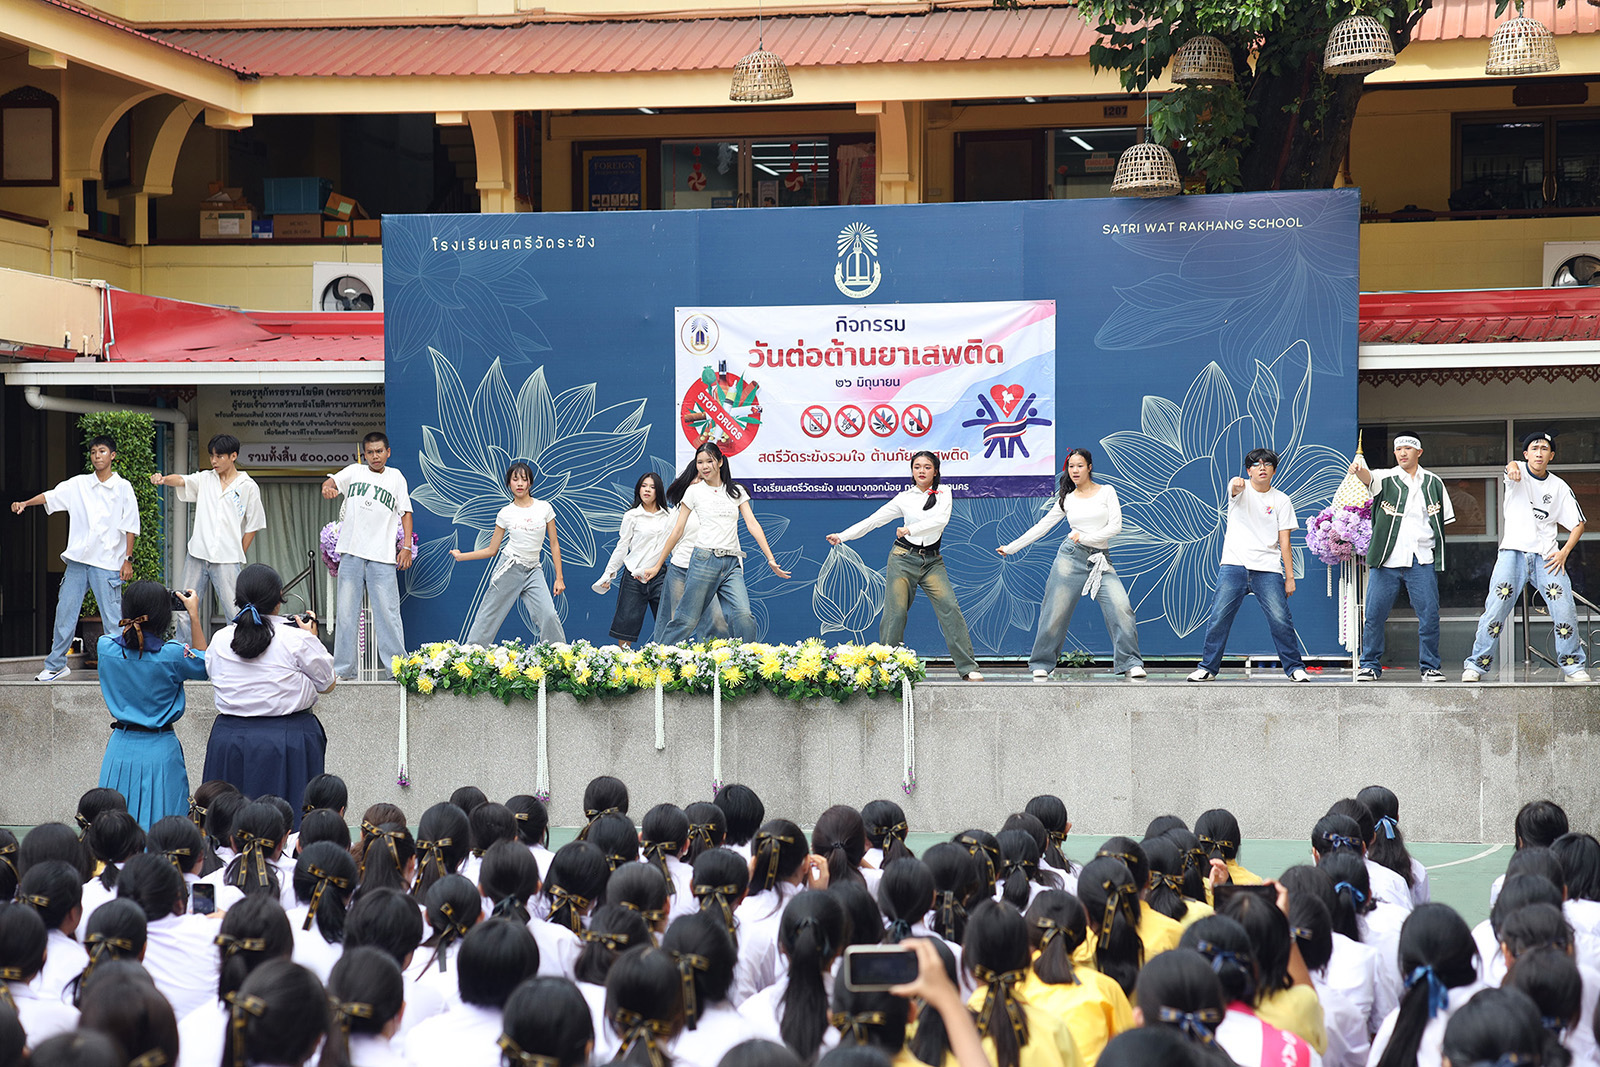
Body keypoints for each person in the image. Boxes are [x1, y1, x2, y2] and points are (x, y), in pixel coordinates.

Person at [828, 451, 984, 681]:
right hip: (903, 558)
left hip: (932, 562)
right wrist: (843, 536)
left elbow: (941, 521)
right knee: (896, 613)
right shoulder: (904, 498)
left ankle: (968, 667)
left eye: (927, 467)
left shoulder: (944, 492)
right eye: (917, 466)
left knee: (950, 608)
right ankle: (887, 669)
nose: (922, 471)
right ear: (912, 470)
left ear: (936, 471)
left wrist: (911, 529)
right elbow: (874, 520)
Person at [998, 449, 1145, 681]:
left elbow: (1115, 526)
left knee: (1121, 607)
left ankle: (1131, 663)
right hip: (1070, 558)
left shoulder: (1107, 491)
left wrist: (1085, 537)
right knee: (1054, 611)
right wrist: (1011, 547)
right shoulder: (1067, 498)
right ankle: (1042, 663)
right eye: (1071, 466)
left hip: (1100, 559)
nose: (1075, 470)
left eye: (1080, 466)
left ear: (1089, 467)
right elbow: (1042, 526)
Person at [204, 563, 336, 819]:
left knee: (227, 823)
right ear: (279, 600)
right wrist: (312, 638)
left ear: (238, 599)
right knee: (290, 822)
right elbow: (328, 684)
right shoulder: (297, 638)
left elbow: (212, 672)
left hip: (229, 739)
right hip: (288, 739)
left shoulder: (220, 638)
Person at [1462, 430, 1589, 683]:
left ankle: (1573, 666)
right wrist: (1511, 467)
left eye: (1544, 449)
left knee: (1564, 609)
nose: (1539, 453)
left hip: (1547, 557)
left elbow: (1579, 524)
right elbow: (1511, 467)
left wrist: (1564, 552)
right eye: (1534, 448)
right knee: (1495, 610)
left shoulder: (1559, 486)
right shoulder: (1517, 472)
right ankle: (1476, 664)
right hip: (1513, 553)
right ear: (1526, 454)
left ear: (1551, 456)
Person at [11, 434, 139, 682]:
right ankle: (56, 665)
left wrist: (128, 559)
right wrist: (26, 503)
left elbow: (131, 525)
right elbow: (51, 496)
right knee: (65, 612)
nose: (97, 456)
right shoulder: (79, 484)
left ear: (113, 455)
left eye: (102, 451)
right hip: (78, 562)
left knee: (113, 619)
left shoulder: (123, 487)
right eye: (93, 452)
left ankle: (121, 668)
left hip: (107, 563)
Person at [641, 442, 789, 644]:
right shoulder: (694, 491)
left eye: (709, 461)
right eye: (699, 462)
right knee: (686, 620)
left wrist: (770, 559)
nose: (704, 466)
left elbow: (752, 524)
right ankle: (659, 655)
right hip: (704, 560)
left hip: (732, 563)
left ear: (720, 462)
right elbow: (677, 530)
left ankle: (748, 657)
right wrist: (658, 565)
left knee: (744, 615)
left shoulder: (736, 491)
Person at [1187, 448, 1310, 683]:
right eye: (1256, 464)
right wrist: (1236, 484)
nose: (1262, 468)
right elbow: (1234, 488)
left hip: (1268, 568)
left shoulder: (1281, 500)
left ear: (1274, 470)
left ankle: (1295, 668)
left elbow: (1285, 541)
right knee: (1219, 617)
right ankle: (1207, 668)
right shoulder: (1239, 489)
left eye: (1267, 464)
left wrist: (1290, 577)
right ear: (1248, 470)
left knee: (1280, 620)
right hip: (1234, 565)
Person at [94, 581, 209, 829]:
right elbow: (207, 664)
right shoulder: (173, 655)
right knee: (165, 831)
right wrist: (194, 615)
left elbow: (127, 643)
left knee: (114, 829)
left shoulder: (105, 648)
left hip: (120, 747)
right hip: (160, 749)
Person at [1350, 434, 1455, 682]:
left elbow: (1444, 521)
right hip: (1387, 558)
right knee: (1374, 614)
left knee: (1429, 615)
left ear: (1419, 452)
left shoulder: (1434, 482)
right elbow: (1368, 477)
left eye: (1408, 448)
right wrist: (1357, 470)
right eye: (1398, 449)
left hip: (1421, 558)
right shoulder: (1385, 477)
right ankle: (1369, 665)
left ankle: (1430, 666)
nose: (1402, 453)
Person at [149, 433, 266, 644]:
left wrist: (238, 551)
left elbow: (254, 525)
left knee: (234, 610)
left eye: (219, 456)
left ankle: (239, 651)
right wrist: (164, 479)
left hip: (228, 559)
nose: (213, 461)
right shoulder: (205, 478)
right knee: (184, 606)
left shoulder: (248, 486)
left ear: (233, 456)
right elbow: (182, 480)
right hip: (197, 554)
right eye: (212, 456)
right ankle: (183, 651)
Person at [322, 431, 413, 680]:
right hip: (351, 553)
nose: (375, 456)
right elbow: (330, 483)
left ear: (388, 452)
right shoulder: (354, 471)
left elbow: (406, 512)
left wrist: (406, 547)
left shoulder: (396, 477)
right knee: (346, 613)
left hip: (382, 556)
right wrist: (328, 489)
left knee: (388, 614)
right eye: (370, 452)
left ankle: (396, 669)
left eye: (379, 451)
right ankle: (343, 669)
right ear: (364, 454)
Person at [451, 460, 566, 646]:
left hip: (533, 569)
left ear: (530, 483)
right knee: (488, 617)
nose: (519, 484)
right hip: (509, 567)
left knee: (549, 614)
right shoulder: (505, 513)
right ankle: (471, 655)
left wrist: (559, 578)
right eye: (515, 479)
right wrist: (461, 556)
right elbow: (491, 550)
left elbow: (554, 543)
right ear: (509, 483)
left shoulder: (544, 508)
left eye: (524, 479)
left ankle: (560, 655)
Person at [595, 471, 675, 647]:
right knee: (626, 626)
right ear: (638, 489)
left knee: (668, 623)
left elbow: (675, 545)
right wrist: (609, 574)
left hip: (659, 575)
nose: (647, 490)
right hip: (633, 576)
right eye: (644, 486)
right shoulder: (631, 515)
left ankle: (669, 660)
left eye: (652, 487)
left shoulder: (669, 516)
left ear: (659, 491)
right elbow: (622, 546)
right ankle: (625, 661)